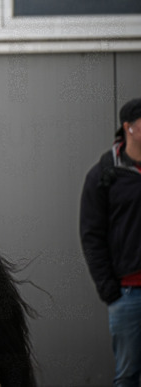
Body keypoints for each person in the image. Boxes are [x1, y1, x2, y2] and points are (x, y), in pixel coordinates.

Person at [81, 97, 141, 386]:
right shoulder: (104, 175)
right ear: (128, 127)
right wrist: (109, 289)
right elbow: (91, 235)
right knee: (128, 376)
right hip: (128, 295)